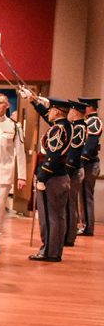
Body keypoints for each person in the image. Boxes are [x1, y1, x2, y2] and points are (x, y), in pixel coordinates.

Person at [20, 90, 71, 262]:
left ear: (57, 111)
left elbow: (53, 155)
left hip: (52, 178)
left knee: (49, 217)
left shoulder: (58, 129)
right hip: (60, 177)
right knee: (58, 216)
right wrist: (33, 101)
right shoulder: (65, 125)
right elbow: (45, 116)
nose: (48, 112)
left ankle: (48, 252)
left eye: (51, 109)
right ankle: (55, 251)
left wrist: (42, 176)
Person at [0, 93, 27, 254]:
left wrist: (22, 176)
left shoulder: (14, 126)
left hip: (3, 171)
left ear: (7, 106)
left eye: (0, 103)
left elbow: (20, 152)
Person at [63, 100, 88, 247]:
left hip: (73, 170)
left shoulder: (79, 128)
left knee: (70, 204)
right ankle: (68, 234)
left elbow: (74, 151)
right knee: (69, 203)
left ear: (76, 112)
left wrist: (67, 170)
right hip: (75, 169)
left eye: (71, 111)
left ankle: (69, 236)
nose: (69, 113)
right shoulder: (76, 126)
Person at [78, 97, 100, 236]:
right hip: (88, 163)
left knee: (86, 196)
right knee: (84, 196)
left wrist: (82, 161)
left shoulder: (94, 121)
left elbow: (91, 143)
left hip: (89, 163)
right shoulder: (89, 121)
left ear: (89, 107)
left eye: (83, 106)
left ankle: (87, 227)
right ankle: (85, 224)